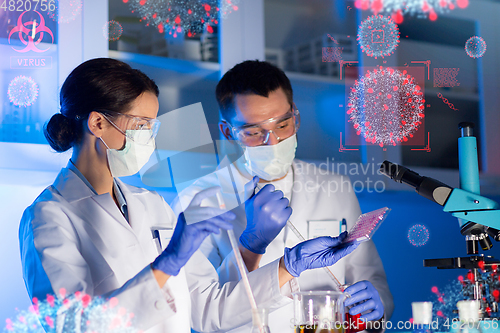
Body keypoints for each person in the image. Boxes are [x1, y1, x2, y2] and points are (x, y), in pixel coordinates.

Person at [19, 58, 361, 333]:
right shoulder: (48, 217)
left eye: (153, 127)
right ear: (97, 123)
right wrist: (168, 262)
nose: (149, 140)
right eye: (141, 126)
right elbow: (71, 326)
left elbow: (209, 308)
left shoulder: (150, 205)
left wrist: (291, 265)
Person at [173, 60, 394, 333]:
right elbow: (202, 315)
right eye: (253, 132)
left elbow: (369, 275)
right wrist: (250, 244)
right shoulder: (195, 202)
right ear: (228, 132)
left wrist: (377, 304)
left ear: (295, 115)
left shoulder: (335, 186)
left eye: (283, 124)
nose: (273, 141)